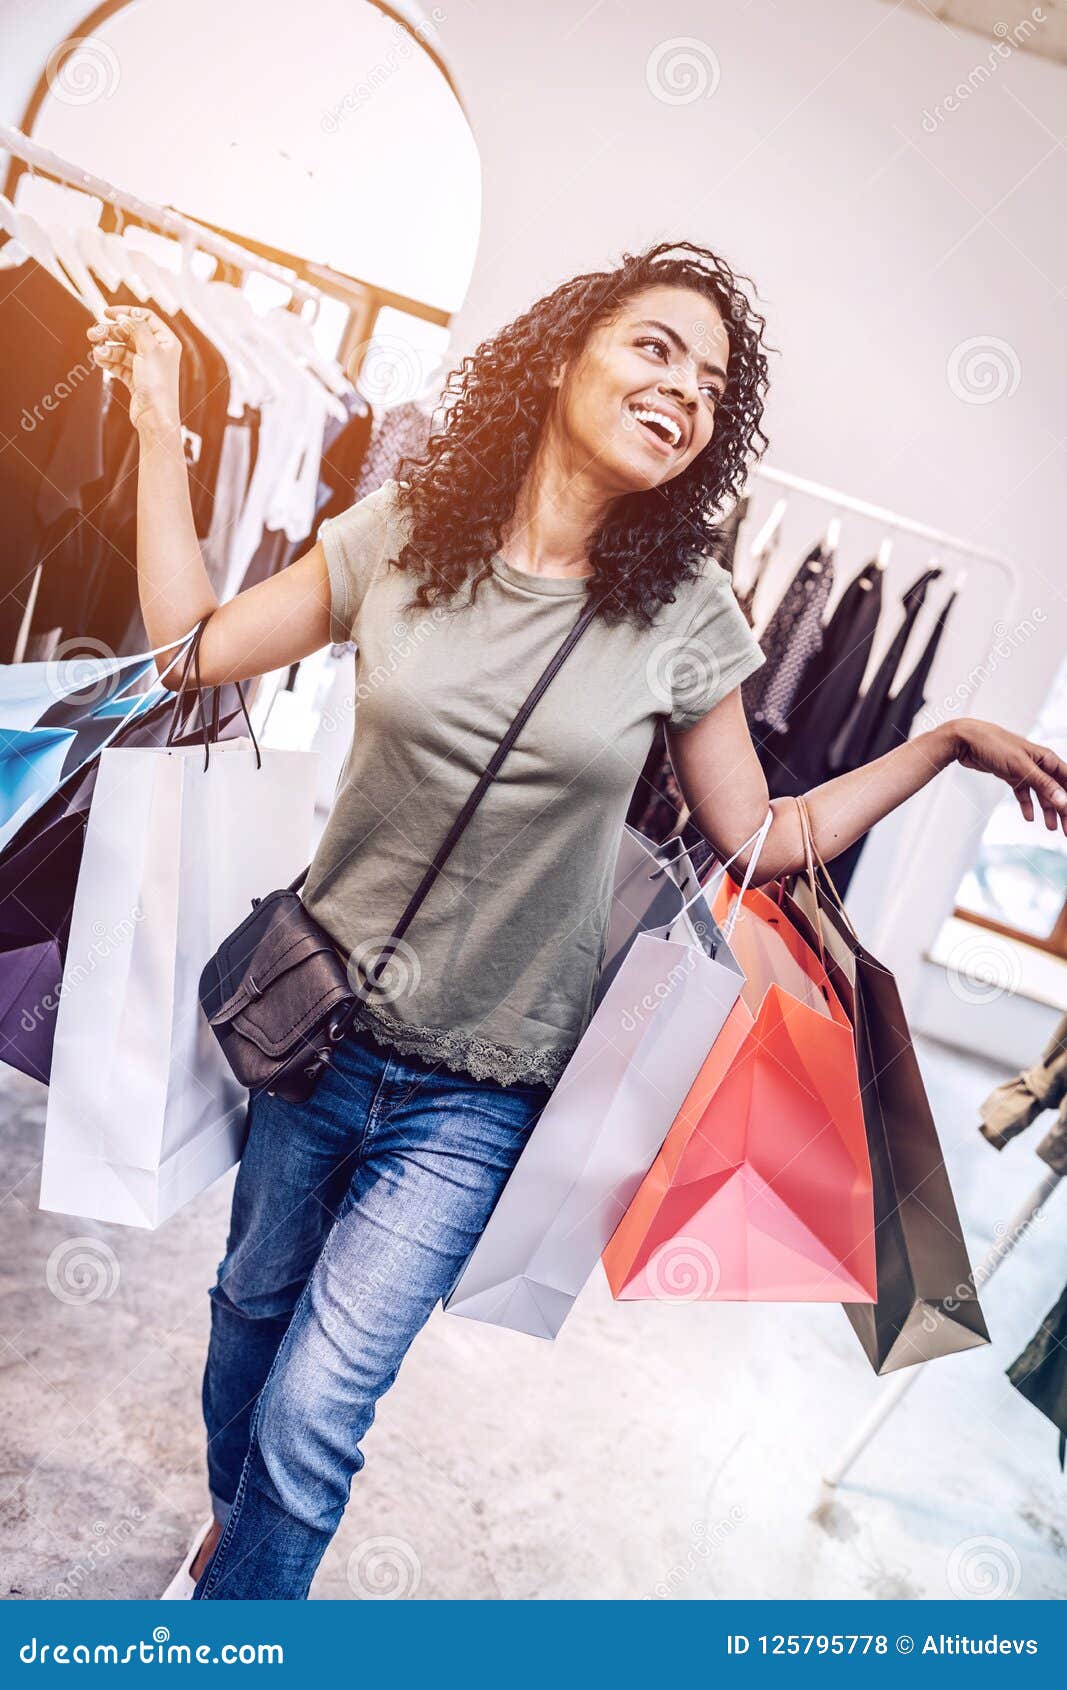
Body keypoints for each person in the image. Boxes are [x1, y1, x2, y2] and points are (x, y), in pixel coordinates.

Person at [87, 241, 1067, 1601]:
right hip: (314, 1034)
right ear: (561, 358)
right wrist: (153, 429)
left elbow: (764, 838)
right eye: (656, 347)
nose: (685, 391)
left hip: (476, 1092)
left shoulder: (685, 612)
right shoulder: (405, 538)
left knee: (317, 1413)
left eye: (714, 385)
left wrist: (944, 743)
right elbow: (186, 646)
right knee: (247, 1321)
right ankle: (231, 1529)